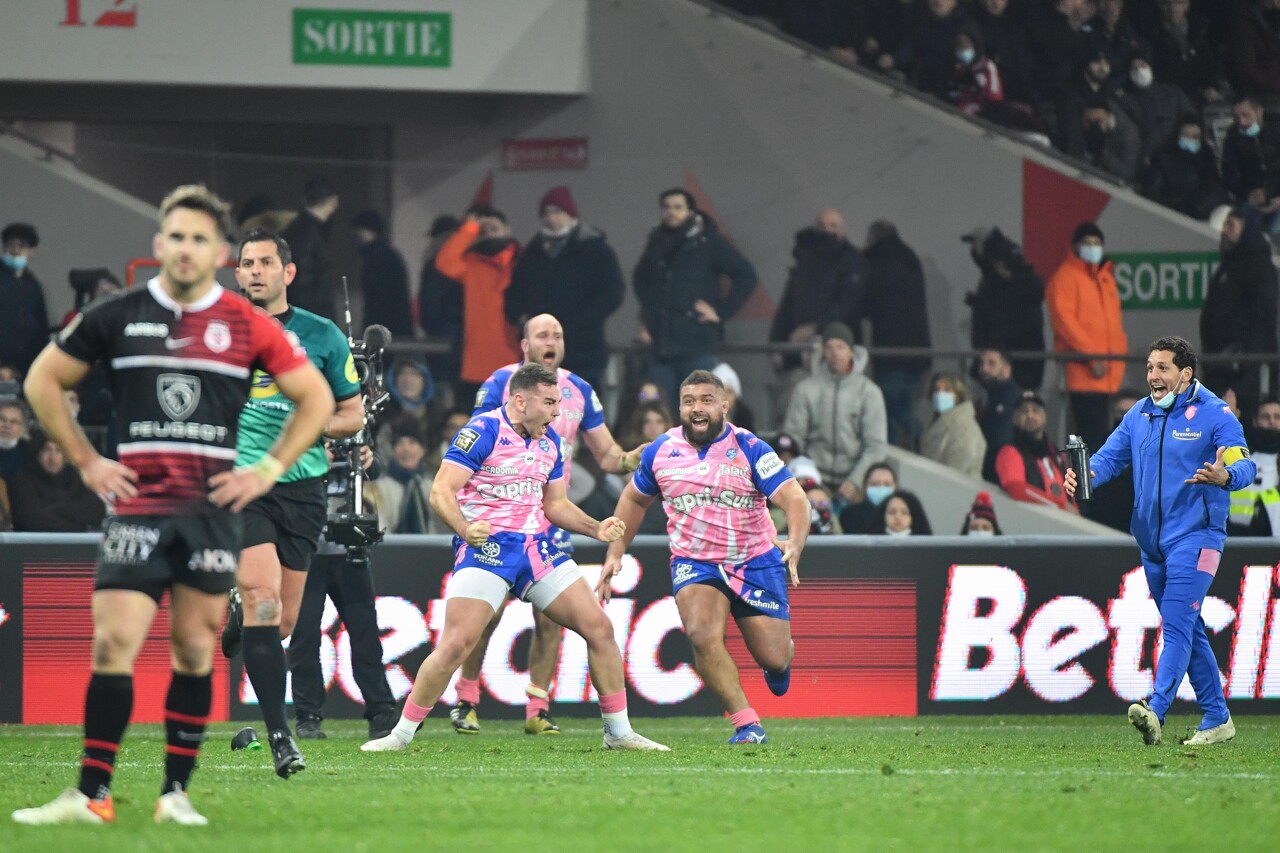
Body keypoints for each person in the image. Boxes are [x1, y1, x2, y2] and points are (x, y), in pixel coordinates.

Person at [11, 185, 333, 826]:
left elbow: (316, 399)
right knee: (114, 643)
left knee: (193, 648)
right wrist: (86, 460)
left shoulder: (247, 326)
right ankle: (90, 793)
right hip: (138, 509)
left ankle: (174, 794)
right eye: (176, 237)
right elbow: (41, 379)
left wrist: (266, 469)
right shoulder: (118, 313)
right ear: (160, 245)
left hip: (210, 511)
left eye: (199, 240)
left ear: (218, 255)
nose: (186, 249)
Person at [360, 363, 667, 752]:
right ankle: (400, 735)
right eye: (550, 403)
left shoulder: (550, 442)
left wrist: (595, 528)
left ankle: (618, 733)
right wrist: (464, 529)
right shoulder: (482, 431)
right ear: (520, 401)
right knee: (456, 644)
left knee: (600, 628)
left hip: (535, 546)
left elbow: (555, 505)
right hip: (487, 548)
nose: (557, 412)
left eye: (559, 403)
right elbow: (441, 490)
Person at [450, 314, 644, 736]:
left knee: (552, 617)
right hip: (500, 520)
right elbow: (481, 440)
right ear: (524, 345)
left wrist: (637, 458)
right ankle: (466, 698)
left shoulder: (580, 390)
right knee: (489, 612)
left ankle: (537, 706)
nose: (551, 340)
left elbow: (609, 456)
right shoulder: (501, 384)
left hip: (550, 513)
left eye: (557, 334)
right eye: (542, 334)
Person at [217, 227, 364, 779]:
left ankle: (238, 613)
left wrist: (310, 424)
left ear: (288, 272)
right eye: (246, 263)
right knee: (263, 601)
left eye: (264, 262)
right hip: (244, 483)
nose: (254, 271)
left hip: (303, 487)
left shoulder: (322, 336)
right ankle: (281, 738)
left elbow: (352, 413)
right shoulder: (219, 332)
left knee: (281, 623)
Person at [1065, 335, 1254, 747]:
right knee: (1186, 625)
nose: (1153, 375)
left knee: (1177, 619)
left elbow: (1245, 463)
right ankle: (1218, 718)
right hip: (1153, 545)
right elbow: (1109, 458)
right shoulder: (1140, 415)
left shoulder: (1217, 414)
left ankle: (1157, 708)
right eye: (1150, 367)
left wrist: (1227, 477)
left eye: (1162, 368)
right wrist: (1086, 475)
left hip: (1198, 538)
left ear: (1185, 375)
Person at [603, 369, 809, 744]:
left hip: (754, 558)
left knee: (774, 658)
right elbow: (634, 498)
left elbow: (794, 497)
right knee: (700, 635)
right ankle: (748, 724)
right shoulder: (660, 451)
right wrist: (615, 552)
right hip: (695, 561)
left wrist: (794, 542)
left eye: (706, 400)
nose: (697, 408)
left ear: (724, 407)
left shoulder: (750, 448)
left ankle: (780, 662)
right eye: (688, 401)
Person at [288, 443, 398, 741]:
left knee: (365, 633)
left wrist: (368, 459)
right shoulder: (299, 420)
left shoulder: (355, 422)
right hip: (306, 545)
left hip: (350, 544)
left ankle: (381, 710)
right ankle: (307, 714)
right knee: (305, 634)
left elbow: (374, 469)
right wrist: (310, 459)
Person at [632, 188, 758, 407]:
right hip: (661, 347)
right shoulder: (656, 242)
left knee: (696, 411)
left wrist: (721, 312)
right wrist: (649, 320)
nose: (671, 212)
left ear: (691, 211)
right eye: (667, 207)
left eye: (678, 207)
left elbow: (746, 275)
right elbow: (641, 280)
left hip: (697, 345)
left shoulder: (708, 242)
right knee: (656, 410)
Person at [504, 186, 626, 390]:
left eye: (557, 211)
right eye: (546, 213)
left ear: (571, 214)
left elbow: (611, 293)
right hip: (539, 355)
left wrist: (577, 323)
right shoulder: (532, 253)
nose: (551, 218)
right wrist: (521, 319)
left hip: (584, 350)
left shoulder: (595, 249)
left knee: (582, 414)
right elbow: (513, 294)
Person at [1046, 221, 1129, 454]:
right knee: (1089, 441)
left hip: (1109, 376)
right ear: (1076, 246)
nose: (1093, 248)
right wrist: (1092, 358)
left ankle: (1101, 489)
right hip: (1084, 375)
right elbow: (1066, 325)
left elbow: (1114, 326)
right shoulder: (1065, 278)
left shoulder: (1105, 279)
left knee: (1107, 442)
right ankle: (1087, 490)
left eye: (1097, 243)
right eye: (1087, 243)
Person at [782, 322, 888, 504]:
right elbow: (793, 439)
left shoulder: (870, 393)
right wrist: (806, 476)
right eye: (829, 347)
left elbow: (876, 447)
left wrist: (855, 481)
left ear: (851, 351)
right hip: (812, 480)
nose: (835, 353)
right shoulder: (805, 389)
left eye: (840, 347)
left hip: (855, 481)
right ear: (822, 351)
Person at [1199, 204, 1279, 422]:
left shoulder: (1259, 267)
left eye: (1231, 225)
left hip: (1245, 368)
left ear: (1247, 229)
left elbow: (1263, 312)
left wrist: (1236, 344)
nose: (1225, 231)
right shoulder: (1227, 266)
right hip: (1218, 365)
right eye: (1225, 225)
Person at [435, 205, 521, 404]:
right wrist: (471, 228)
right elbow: (445, 262)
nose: (490, 235)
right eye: (485, 231)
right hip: (476, 364)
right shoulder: (472, 265)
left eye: (495, 229)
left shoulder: (522, 263)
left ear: (507, 230)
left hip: (513, 359)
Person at [862, 220, 931, 449]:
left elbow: (867, 305)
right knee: (904, 407)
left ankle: (891, 455)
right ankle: (916, 443)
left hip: (890, 352)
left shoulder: (873, 262)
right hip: (918, 351)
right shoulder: (910, 259)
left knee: (888, 410)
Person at [964, 227, 1046, 391]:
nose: (974, 250)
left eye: (977, 245)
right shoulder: (994, 282)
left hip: (1015, 364)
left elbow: (1013, 327)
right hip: (1001, 361)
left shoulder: (1012, 288)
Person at [8, 428, 105, 532]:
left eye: (59, 451)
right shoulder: (22, 482)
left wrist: (57, 510)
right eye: (46, 450)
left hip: (75, 547)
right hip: (33, 546)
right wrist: (79, 527)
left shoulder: (74, 478)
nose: (53, 458)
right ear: (36, 453)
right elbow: (33, 522)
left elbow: (97, 511)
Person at [995, 391, 1074, 511]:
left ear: (1044, 417)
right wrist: (1060, 506)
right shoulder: (1009, 451)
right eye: (1024, 411)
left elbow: (1072, 495)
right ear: (1014, 418)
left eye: (1035, 410)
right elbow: (1016, 489)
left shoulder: (1057, 453)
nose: (1030, 415)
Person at [1140, 115, 1230, 219]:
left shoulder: (1207, 157)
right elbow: (1152, 192)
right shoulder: (1163, 157)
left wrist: (1198, 208)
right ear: (1178, 136)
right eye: (1186, 136)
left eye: (1195, 137)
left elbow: (1216, 186)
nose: (1191, 140)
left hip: (1200, 213)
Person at [280, 177, 340, 324]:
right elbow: (302, 283)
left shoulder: (297, 229)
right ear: (333, 202)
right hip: (311, 322)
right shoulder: (310, 234)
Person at [351, 209, 413, 338]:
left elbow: (379, 300)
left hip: (385, 328)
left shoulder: (377, 259)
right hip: (395, 327)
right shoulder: (386, 256)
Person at [0, 222, 51, 375]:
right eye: (10, 245)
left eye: (21, 245)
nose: (15, 250)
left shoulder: (34, 285)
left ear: (32, 251)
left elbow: (42, 327)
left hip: (28, 365)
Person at [1228, 397, 1280, 536]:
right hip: (1238, 541)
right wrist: (1227, 421)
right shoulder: (1241, 455)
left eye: (1277, 417)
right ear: (1255, 421)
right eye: (1265, 416)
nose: (1272, 421)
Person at [920, 371, 987, 479]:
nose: (940, 395)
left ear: (958, 395)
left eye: (947, 390)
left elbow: (960, 463)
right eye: (937, 390)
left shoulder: (964, 425)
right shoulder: (937, 421)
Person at [975, 349, 1024, 483]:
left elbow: (1001, 439)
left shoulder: (1012, 399)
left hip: (999, 474)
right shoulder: (988, 396)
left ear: (1007, 369)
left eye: (992, 364)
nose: (984, 368)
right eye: (982, 364)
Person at [839, 461, 898, 535]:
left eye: (887, 485)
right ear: (865, 487)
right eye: (875, 484)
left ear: (895, 488)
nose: (881, 488)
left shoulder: (902, 515)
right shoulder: (850, 515)